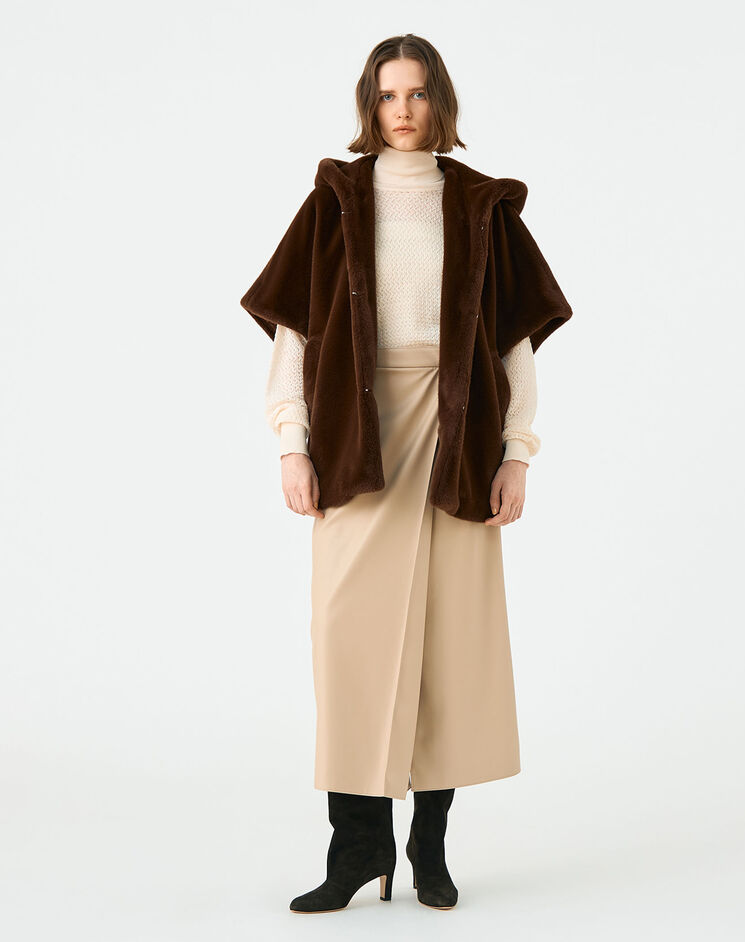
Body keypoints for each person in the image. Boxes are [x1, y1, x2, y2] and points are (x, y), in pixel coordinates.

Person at [240, 34, 573, 914]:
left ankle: (427, 847)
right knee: (349, 637)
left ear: (439, 102)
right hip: (357, 431)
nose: (402, 110)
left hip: (459, 433)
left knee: (447, 643)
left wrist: (516, 453)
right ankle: (357, 848)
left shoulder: (481, 206)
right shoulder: (335, 201)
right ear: (368, 103)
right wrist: (292, 442)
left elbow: (512, 344)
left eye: (417, 93)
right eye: (388, 94)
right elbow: (295, 336)